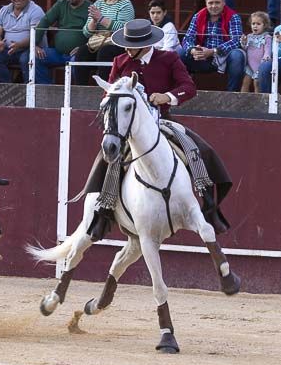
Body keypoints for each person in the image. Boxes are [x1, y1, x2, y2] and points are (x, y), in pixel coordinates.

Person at [83, 18, 232, 240]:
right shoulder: (120, 61)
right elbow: (109, 94)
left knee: (201, 151)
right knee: (106, 161)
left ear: (144, 45)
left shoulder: (168, 59)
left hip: (162, 121)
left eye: (131, 46)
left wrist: (167, 96)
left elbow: (189, 87)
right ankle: (102, 213)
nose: (126, 49)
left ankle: (210, 207)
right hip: (130, 129)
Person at [180, 0, 246, 91]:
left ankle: (232, 95)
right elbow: (188, 38)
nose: (214, 6)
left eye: (217, 2)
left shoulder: (233, 16)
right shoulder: (198, 16)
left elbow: (236, 41)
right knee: (179, 53)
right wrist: (193, 50)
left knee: (237, 55)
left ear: (224, 2)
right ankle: (183, 90)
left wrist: (213, 51)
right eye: (210, 3)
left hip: (223, 57)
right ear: (206, 3)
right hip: (201, 56)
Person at [32, 0, 90, 84]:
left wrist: (84, 49)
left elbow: (95, 33)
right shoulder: (61, 5)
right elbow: (44, 22)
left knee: (77, 63)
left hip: (77, 55)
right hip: (58, 53)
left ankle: (76, 96)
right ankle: (47, 92)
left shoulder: (90, 8)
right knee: (35, 58)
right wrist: (34, 45)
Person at [81, 0, 134, 81]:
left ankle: (104, 89)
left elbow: (123, 29)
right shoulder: (98, 3)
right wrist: (94, 21)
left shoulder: (125, 4)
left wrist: (100, 18)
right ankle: (80, 89)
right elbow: (86, 32)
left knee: (105, 52)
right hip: (98, 41)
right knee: (82, 52)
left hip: (118, 44)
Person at [0, 0, 45, 82]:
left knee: (25, 59)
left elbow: (36, 36)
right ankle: (8, 87)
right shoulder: (4, 10)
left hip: (30, 49)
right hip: (9, 50)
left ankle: (29, 91)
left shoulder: (36, 10)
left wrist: (19, 45)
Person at [240, 11, 271, 93]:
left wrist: (266, 57)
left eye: (258, 24)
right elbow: (245, 49)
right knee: (245, 82)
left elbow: (268, 50)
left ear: (264, 25)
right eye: (253, 24)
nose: (255, 26)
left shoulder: (267, 37)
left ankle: (257, 102)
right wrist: (243, 42)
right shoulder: (249, 36)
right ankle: (242, 101)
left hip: (260, 65)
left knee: (256, 83)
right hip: (250, 65)